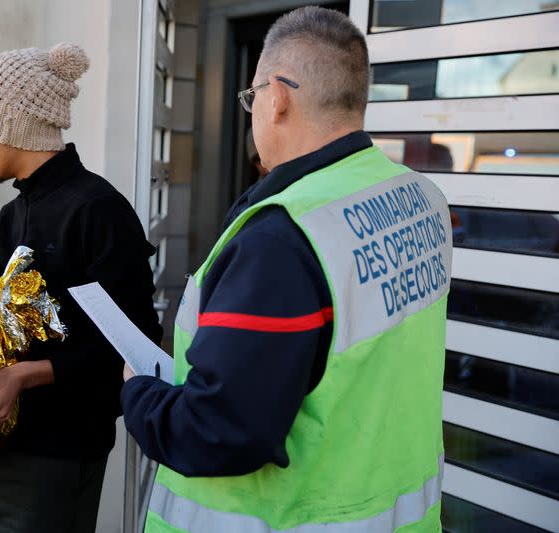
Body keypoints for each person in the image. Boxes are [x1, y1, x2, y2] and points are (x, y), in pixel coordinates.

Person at [122, 7, 452, 532]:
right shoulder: (420, 198)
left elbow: (219, 431)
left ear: (277, 97)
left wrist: (139, 390)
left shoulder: (281, 239)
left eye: (251, 98)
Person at [0, 44, 162, 533]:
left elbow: (135, 344)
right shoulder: (9, 217)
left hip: (60, 449)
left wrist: (23, 378)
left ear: (14, 122)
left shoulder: (97, 209)